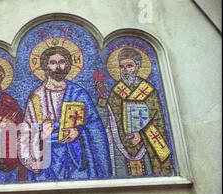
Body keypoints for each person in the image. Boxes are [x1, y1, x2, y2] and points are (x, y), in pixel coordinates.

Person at [20, 46, 111, 181]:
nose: (58, 67)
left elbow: (95, 125)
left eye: (62, 61)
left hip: (74, 156)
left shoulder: (79, 93)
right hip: (46, 157)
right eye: (53, 62)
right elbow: (26, 130)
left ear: (68, 65)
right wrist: (40, 134)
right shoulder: (36, 96)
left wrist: (79, 131)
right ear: (45, 66)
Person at [97, 47, 173, 176]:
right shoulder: (116, 92)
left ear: (137, 67)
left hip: (146, 145)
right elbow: (108, 120)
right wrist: (103, 99)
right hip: (121, 145)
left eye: (129, 66)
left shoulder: (149, 91)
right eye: (122, 67)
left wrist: (141, 135)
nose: (126, 70)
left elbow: (158, 120)